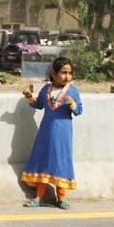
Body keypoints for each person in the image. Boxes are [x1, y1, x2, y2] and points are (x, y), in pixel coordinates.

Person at [21, 57, 83, 210]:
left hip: (62, 133)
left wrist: (73, 104)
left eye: (70, 73)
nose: (67, 76)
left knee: (60, 160)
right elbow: (39, 104)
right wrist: (29, 96)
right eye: (63, 73)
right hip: (46, 131)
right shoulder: (46, 89)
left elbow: (79, 110)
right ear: (53, 73)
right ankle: (39, 196)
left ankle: (61, 198)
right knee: (43, 160)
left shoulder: (72, 90)